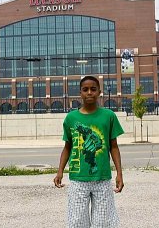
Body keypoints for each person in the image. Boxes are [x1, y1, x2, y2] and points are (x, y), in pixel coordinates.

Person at [53, 75, 124, 228]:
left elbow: (114, 147)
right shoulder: (71, 118)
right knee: (77, 222)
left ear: (99, 92)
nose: (89, 92)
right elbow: (67, 147)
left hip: (102, 178)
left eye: (93, 89)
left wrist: (119, 173)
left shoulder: (108, 116)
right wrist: (60, 171)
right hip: (78, 179)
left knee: (103, 223)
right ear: (80, 93)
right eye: (85, 89)